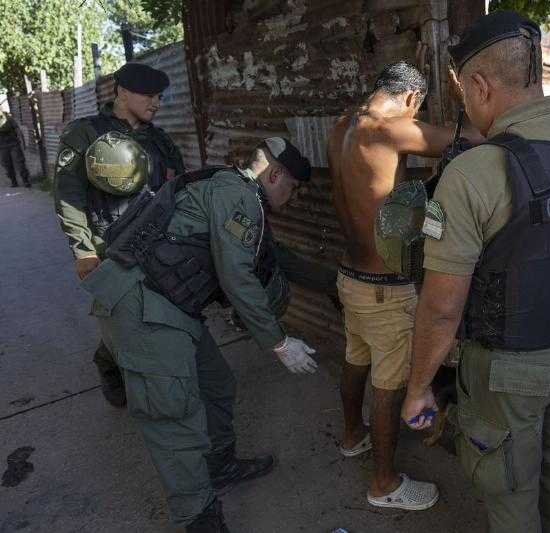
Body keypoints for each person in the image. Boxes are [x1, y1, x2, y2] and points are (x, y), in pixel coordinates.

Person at [400, 11, 550, 532]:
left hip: (508, 374)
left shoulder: (473, 174)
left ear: (478, 85)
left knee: (510, 495)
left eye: (462, 95)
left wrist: (418, 388)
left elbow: (441, 309)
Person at [81, 137, 321, 532]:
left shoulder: (232, 188)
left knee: (216, 384)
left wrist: (336, 281)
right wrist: (277, 341)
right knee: (173, 417)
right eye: (292, 188)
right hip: (143, 310)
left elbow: (272, 260)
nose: (292, 198)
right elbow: (236, 275)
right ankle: (198, 517)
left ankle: (220, 467)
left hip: (171, 308)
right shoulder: (241, 198)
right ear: (275, 174)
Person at [327, 59, 481, 511]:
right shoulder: (392, 127)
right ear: (412, 98)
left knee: (356, 359)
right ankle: (384, 483)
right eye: (417, 108)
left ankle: (353, 436)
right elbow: (471, 138)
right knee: (390, 385)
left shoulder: (342, 125)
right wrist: (460, 97)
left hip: (349, 277)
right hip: (384, 288)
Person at [54, 62, 185, 408]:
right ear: (122, 92)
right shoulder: (85, 133)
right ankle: (110, 363)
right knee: (122, 319)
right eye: (149, 95)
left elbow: (177, 188)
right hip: (109, 248)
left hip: (154, 248)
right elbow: (68, 195)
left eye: (159, 96)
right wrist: (83, 251)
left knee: (150, 318)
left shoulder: (159, 139)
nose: (157, 102)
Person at [0, 110, 31, 188]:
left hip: (14, 144)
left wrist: (23, 142)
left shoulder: (8, 118)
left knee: (20, 163)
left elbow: (17, 129)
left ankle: (26, 181)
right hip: (2, 146)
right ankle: (13, 181)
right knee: (7, 165)